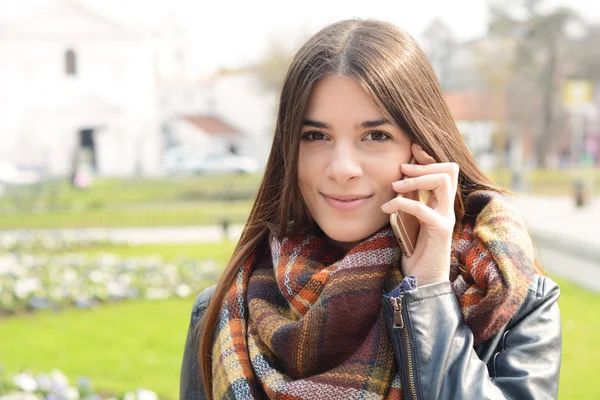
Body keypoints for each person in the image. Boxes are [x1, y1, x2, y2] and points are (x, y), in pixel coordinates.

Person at [180, 19, 561, 400]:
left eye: (375, 136)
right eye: (316, 136)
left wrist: (428, 294)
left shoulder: (512, 304)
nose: (342, 168)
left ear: (424, 151)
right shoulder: (223, 313)